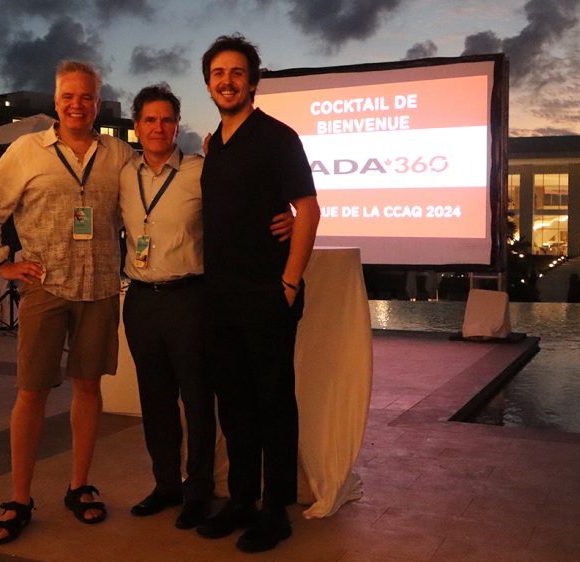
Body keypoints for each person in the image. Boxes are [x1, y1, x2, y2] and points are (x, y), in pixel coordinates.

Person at [0, 60, 135, 544]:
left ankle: (79, 486)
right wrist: (0, 262)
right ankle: (20, 497)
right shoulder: (27, 151)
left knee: (88, 388)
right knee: (31, 392)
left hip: (100, 286)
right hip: (46, 285)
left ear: (97, 104)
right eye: (68, 96)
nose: (77, 105)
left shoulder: (118, 154)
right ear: (56, 101)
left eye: (86, 97)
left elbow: (150, 200)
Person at [118, 84, 295, 530]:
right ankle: (165, 485)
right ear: (136, 126)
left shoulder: (202, 170)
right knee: (155, 400)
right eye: (149, 119)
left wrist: (288, 214)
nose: (158, 127)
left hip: (190, 298)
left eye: (167, 119)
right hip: (139, 299)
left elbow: (244, 204)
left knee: (197, 400)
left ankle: (197, 492)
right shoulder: (122, 173)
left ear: (177, 125)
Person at [194, 35, 320, 553]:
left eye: (237, 73)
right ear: (208, 84)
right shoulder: (214, 146)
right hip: (220, 298)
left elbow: (308, 210)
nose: (227, 81)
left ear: (252, 82)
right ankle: (241, 500)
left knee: (273, 405)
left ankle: (275, 510)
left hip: (267, 294)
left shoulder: (278, 137)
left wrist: (288, 283)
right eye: (218, 74)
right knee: (234, 405)